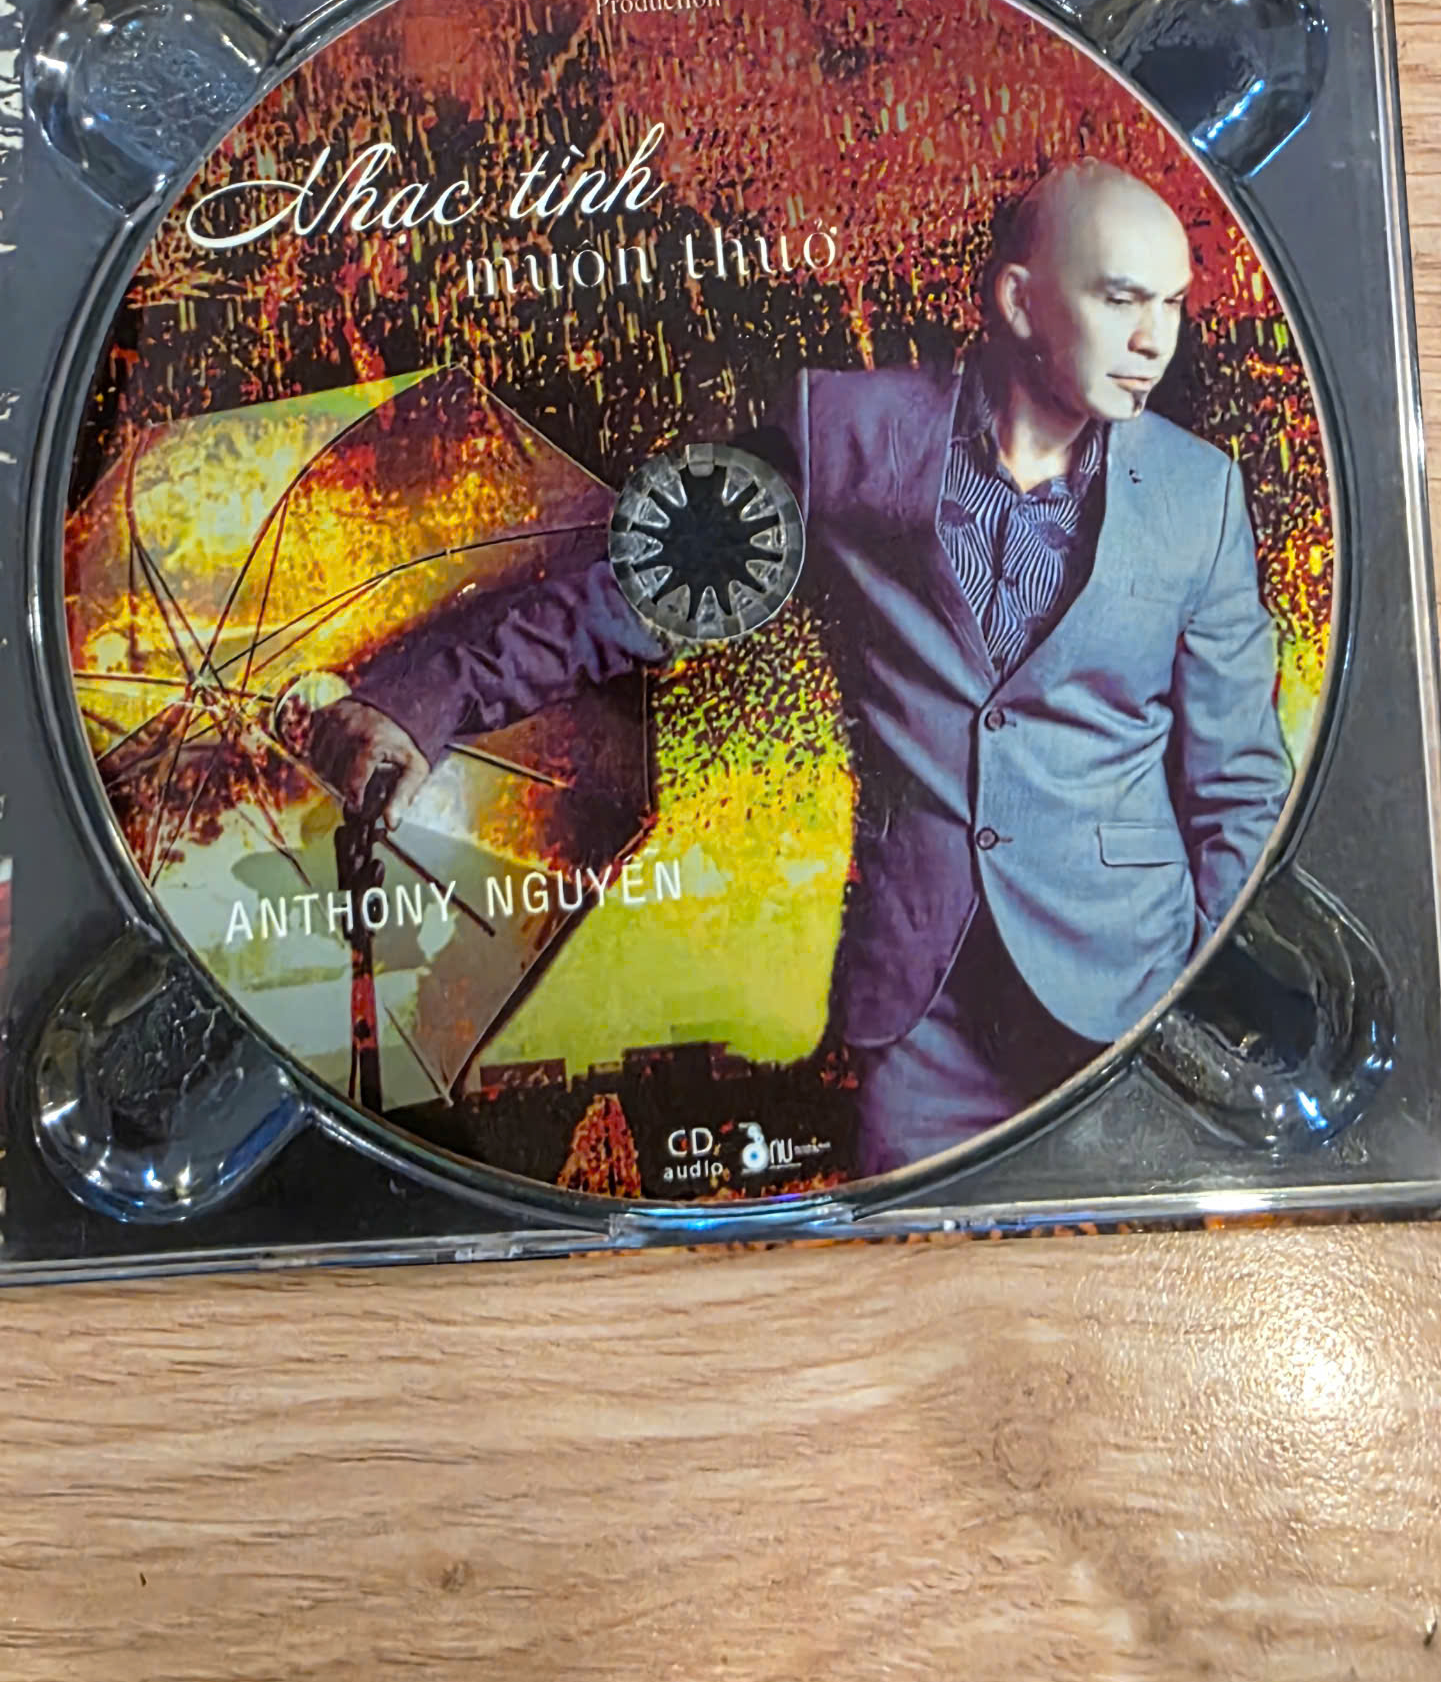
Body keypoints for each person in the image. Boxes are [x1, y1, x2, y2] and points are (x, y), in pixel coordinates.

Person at [309, 160, 1293, 1176]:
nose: (1154, 340)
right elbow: (646, 585)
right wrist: (426, 701)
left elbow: (1237, 784)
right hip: (921, 1012)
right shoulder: (848, 433)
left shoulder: (1200, 493)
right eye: (1122, 299)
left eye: (1172, 304)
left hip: (1131, 999)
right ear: (1017, 300)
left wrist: (1204, 996)